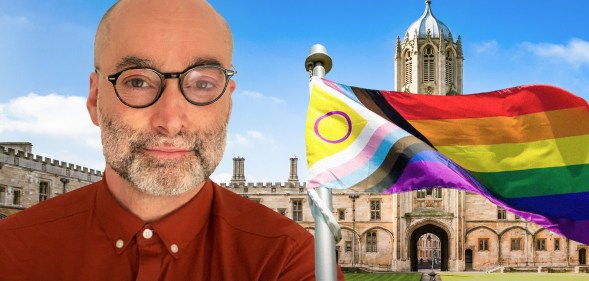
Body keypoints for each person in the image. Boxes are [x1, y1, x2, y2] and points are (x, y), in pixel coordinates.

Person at [0, 0, 343, 280]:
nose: (170, 121)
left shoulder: (293, 260)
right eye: (137, 82)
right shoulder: (11, 252)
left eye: (203, 84)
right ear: (94, 99)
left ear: (229, 102)